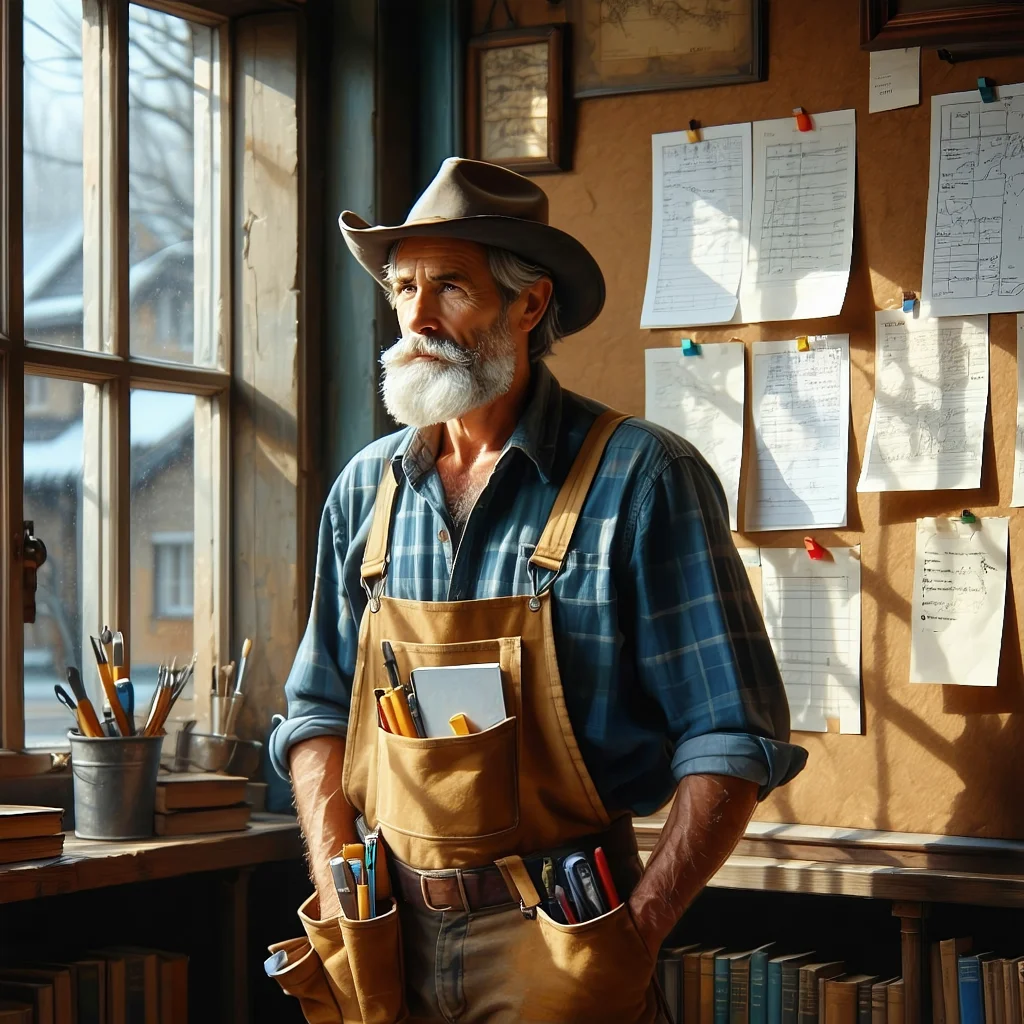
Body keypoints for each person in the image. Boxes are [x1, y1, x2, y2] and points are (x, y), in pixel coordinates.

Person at [269, 157, 807, 1024]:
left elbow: (732, 735)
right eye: (403, 287)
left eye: (451, 287)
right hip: (382, 933)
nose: (416, 317)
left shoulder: (642, 478)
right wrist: (338, 894)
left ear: (529, 304)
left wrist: (636, 930)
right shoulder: (365, 491)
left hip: (565, 929)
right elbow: (317, 711)